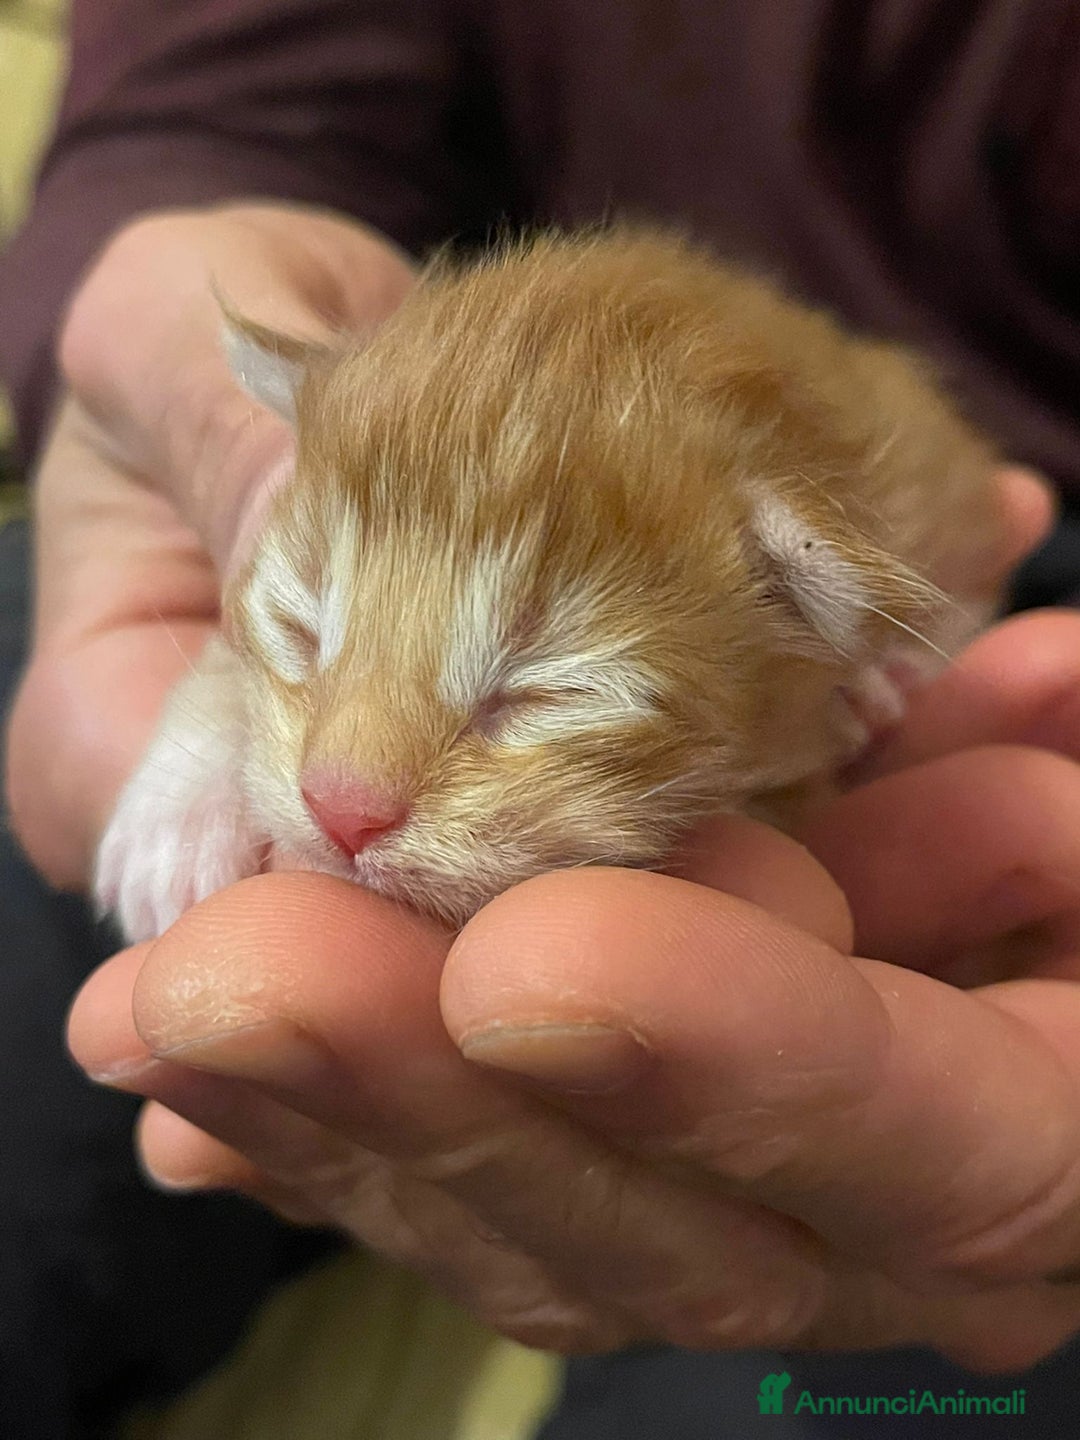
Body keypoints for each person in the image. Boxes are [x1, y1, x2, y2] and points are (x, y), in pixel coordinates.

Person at [2, 2, 1080, 1435]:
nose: (345, 793)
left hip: (992, 549)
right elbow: (216, 115)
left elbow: (938, 535)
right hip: (406, 345)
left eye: (549, 688)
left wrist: (919, 627)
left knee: (824, 1350)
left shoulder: (833, 545)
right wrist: (222, 653)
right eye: (309, 634)